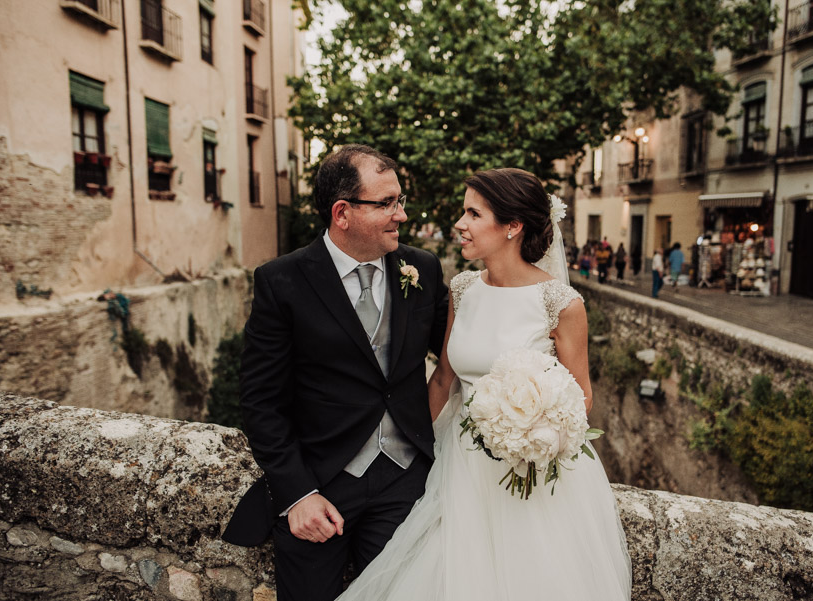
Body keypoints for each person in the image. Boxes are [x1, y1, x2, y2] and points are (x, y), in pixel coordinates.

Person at [333, 168, 632, 601]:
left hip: (529, 466)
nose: (460, 223)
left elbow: (581, 396)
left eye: (474, 213)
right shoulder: (463, 288)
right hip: (460, 463)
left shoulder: (561, 303)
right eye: (463, 211)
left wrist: (530, 428)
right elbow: (443, 380)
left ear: (512, 226)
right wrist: (409, 450)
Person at [222, 145, 450, 601]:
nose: (401, 215)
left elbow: (457, 355)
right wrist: (297, 493)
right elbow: (260, 400)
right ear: (342, 213)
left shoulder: (421, 268)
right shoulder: (281, 281)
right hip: (321, 482)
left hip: (405, 479)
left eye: (400, 200)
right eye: (386, 204)